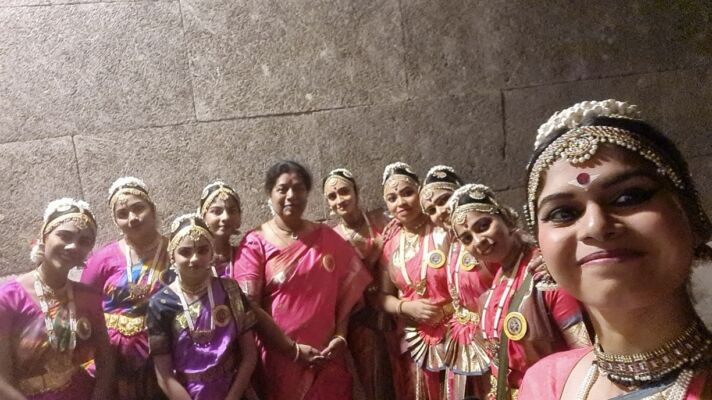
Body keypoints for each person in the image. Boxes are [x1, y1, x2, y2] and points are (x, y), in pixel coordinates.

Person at [518, 99, 712, 399]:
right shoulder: (545, 384)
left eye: (628, 197)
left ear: (693, 218)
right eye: (563, 213)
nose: (595, 226)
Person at [233, 160, 372, 400]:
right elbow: (248, 305)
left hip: (328, 356)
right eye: (282, 189)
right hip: (280, 361)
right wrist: (292, 350)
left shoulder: (326, 236)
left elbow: (346, 295)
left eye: (298, 188)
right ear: (270, 194)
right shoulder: (255, 242)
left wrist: (341, 336)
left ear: (307, 193)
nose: (291, 195)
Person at [448, 183, 590, 400]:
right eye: (467, 238)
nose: (478, 241)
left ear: (506, 219)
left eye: (483, 226)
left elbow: (584, 354)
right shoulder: (498, 279)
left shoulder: (544, 273)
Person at [0, 198, 114, 399]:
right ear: (44, 237)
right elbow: (2, 380)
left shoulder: (88, 297)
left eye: (84, 241)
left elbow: (106, 359)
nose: (73, 246)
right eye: (64, 236)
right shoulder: (8, 298)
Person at [147, 214, 257, 399]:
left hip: (234, 391)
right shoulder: (161, 304)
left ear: (211, 253)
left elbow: (249, 356)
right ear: (172, 255)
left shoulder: (230, 291)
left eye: (202, 250)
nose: (195, 259)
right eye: (185, 252)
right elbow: (164, 377)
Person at [81, 177, 170, 399]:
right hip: (112, 357)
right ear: (116, 221)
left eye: (138, 208)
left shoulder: (175, 251)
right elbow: (83, 305)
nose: (132, 218)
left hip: (163, 352)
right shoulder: (103, 259)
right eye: (123, 214)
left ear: (152, 209)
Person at [378, 162, 453, 400]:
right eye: (392, 198)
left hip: (454, 333)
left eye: (407, 193)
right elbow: (381, 296)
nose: (400, 202)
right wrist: (406, 307)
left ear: (420, 192)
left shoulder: (442, 230)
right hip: (413, 338)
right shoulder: (390, 244)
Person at [322, 168, 397, 400]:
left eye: (344, 192)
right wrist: (371, 258)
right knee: (375, 380)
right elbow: (339, 287)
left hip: (398, 308)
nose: (339, 200)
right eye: (332, 196)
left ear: (356, 191)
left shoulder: (382, 220)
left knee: (403, 374)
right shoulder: (332, 238)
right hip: (363, 319)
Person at [420, 165, 494, 400]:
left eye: (443, 200)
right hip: (461, 340)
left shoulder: (487, 238)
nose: (439, 212)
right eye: (431, 210)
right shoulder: (449, 243)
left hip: (491, 337)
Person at [198, 181, 242, 278]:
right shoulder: (193, 259)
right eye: (216, 211)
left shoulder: (246, 256)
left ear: (239, 218)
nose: (226, 217)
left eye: (232, 211)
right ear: (202, 217)